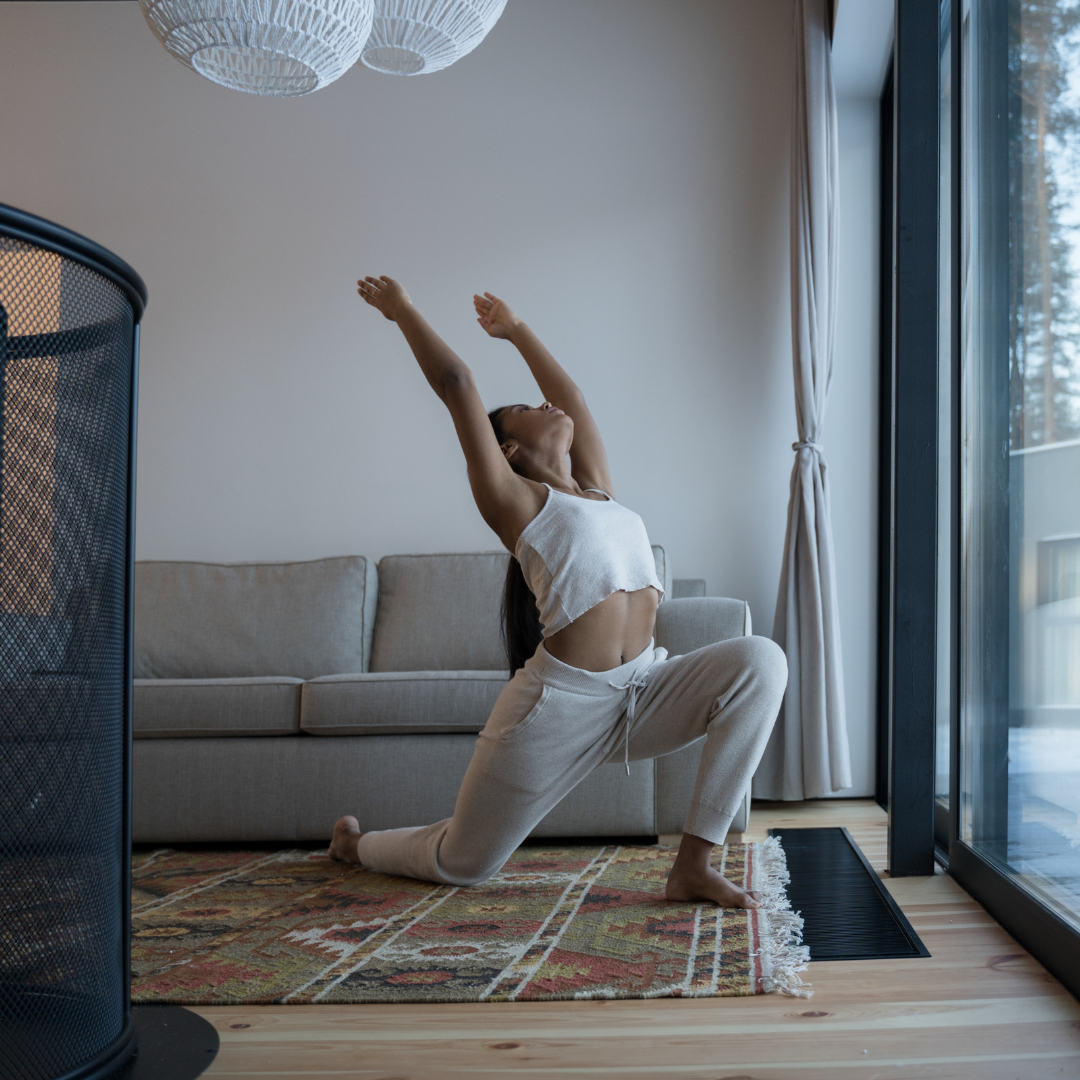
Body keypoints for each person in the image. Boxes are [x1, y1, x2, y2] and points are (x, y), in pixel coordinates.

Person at [329, 276, 787, 908]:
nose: (545, 405)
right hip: (557, 710)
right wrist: (402, 309)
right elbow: (458, 384)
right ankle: (356, 847)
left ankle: (693, 865)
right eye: (526, 407)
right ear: (507, 447)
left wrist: (516, 330)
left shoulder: (598, 490)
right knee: (464, 862)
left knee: (761, 660)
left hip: (644, 691)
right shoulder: (516, 504)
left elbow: (568, 395)